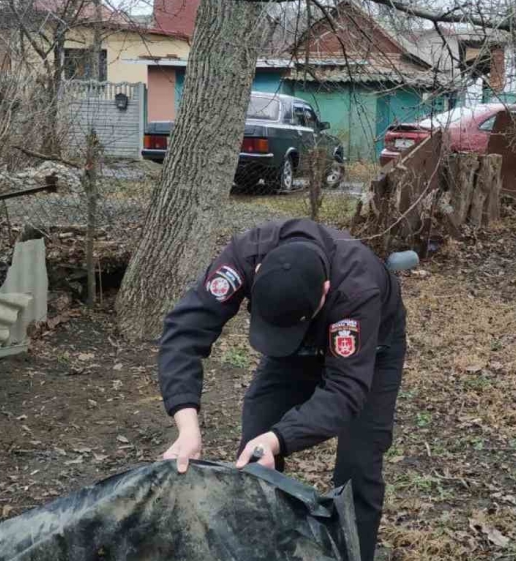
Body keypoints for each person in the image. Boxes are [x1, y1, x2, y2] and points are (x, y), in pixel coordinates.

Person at [156, 218, 407, 561]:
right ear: (257, 272)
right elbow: (185, 331)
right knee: (255, 450)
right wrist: (187, 428)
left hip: (371, 353)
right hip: (296, 351)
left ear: (325, 290)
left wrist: (281, 437)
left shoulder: (357, 289)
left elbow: (346, 388)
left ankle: (355, 553)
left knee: (358, 466)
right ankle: (261, 549)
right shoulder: (244, 256)